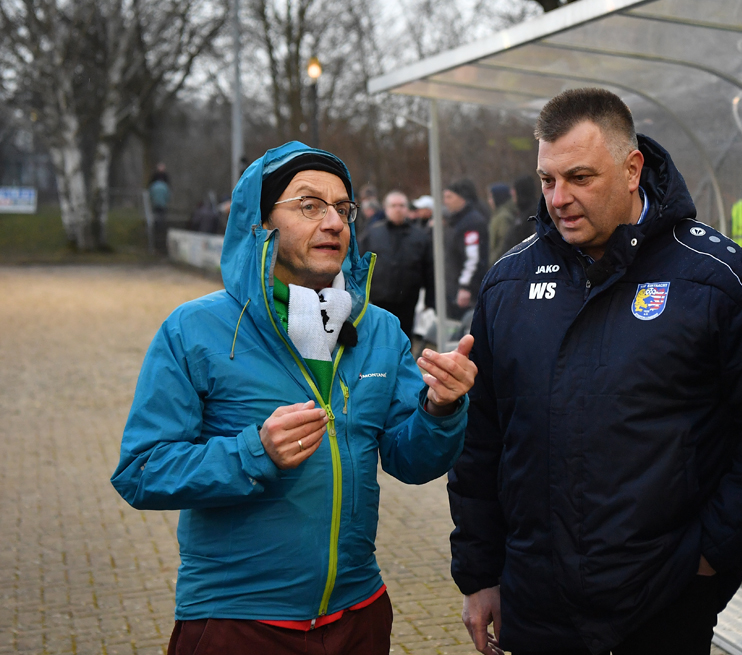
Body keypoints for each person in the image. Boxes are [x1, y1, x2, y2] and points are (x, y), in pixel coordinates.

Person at [451, 88, 742, 655]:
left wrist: (711, 553)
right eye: (548, 180)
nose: (559, 198)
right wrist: (481, 573)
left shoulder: (718, 277)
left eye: (580, 177)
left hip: (666, 603)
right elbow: (481, 439)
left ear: (633, 170)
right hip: (536, 602)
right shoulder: (509, 283)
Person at [111, 141, 476, 654]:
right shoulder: (196, 329)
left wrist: (441, 408)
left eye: (343, 208)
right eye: (309, 205)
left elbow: (411, 460)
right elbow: (142, 470)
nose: (334, 223)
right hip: (238, 620)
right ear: (259, 223)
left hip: (360, 614)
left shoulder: (379, 331)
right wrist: (253, 452)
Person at [359, 189, 434, 336]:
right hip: (378, 299)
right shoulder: (373, 233)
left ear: (407, 208)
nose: (398, 209)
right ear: (386, 209)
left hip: (408, 300)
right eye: (394, 206)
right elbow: (361, 264)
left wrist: (430, 300)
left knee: (403, 338)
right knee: (380, 338)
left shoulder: (419, 236)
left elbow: (429, 269)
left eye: (401, 205)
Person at [443, 179, 489, 319]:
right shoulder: (458, 221)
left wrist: (465, 287)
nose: (446, 201)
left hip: (464, 293)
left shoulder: (471, 223)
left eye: (449, 197)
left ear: (461, 197)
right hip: (454, 287)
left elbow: (473, 258)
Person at [498, 174, 540, 255]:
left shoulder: (533, 215)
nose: (512, 193)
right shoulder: (521, 213)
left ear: (521, 192)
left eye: (514, 190)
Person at [487, 182, 517, 265]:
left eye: (491, 197)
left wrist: (493, 260)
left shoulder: (503, 217)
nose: (489, 201)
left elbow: (503, 243)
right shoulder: (497, 215)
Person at [149, 163, 171, 254]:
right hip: (161, 204)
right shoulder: (163, 185)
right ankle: (159, 225)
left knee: (158, 215)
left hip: (157, 203)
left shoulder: (155, 185)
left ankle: (159, 225)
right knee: (160, 215)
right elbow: (168, 195)